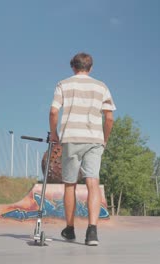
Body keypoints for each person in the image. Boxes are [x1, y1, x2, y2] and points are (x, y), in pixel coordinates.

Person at [49, 52, 115, 246]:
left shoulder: (63, 84)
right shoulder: (101, 86)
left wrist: (54, 134)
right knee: (92, 182)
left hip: (71, 138)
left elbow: (53, 111)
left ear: (73, 67)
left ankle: (70, 230)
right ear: (91, 67)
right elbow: (109, 118)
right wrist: (105, 139)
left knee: (70, 184)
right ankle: (92, 232)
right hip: (94, 139)